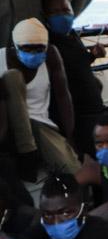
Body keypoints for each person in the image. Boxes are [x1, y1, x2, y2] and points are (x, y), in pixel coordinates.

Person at [1, 17, 80, 178]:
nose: (33, 54)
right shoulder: (1, 57)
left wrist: (70, 136)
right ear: (15, 46)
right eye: (27, 49)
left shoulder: (51, 55)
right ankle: (27, 152)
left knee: (73, 171)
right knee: (12, 77)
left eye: (39, 49)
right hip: (7, 124)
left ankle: (28, 153)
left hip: (39, 124)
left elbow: (63, 96)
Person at [40, 0, 108, 154]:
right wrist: (70, 134)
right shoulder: (48, 45)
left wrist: (92, 56)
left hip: (98, 111)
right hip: (81, 119)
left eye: (66, 10)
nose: (63, 16)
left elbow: (77, 65)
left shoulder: (72, 36)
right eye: (55, 12)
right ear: (45, 17)